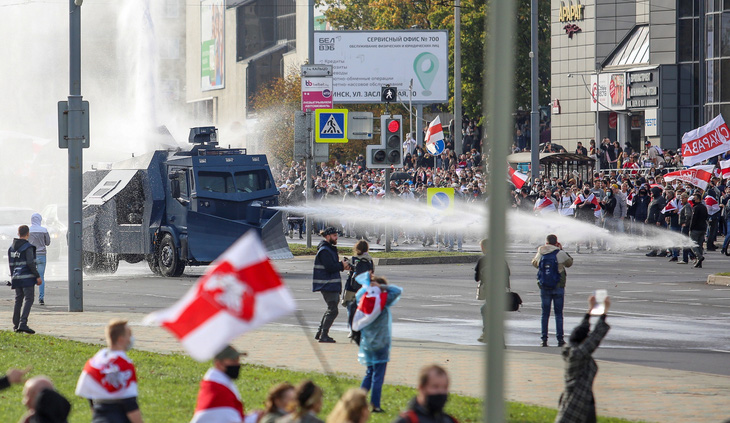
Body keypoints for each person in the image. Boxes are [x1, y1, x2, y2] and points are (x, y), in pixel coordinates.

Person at [554, 295, 611, 423]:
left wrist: (589, 311)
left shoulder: (572, 349)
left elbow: (581, 331)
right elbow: (595, 338)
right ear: (582, 341)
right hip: (575, 408)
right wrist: (605, 313)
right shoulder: (576, 355)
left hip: (585, 403)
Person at [75, 319, 144, 423]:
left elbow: (89, 398)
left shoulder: (93, 363)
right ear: (121, 339)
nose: (131, 339)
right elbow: (130, 403)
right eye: (129, 335)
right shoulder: (125, 366)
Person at [355, 276, 402, 413]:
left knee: (369, 373)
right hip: (381, 343)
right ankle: (375, 404)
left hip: (367, 343)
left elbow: (359, 293)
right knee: (378, 376)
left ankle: (358, 400)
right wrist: (382, 288)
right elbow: (397, 290)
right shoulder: (383, 300)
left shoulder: (364, 299)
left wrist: (368, 286)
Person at [532, 234, 574, 347]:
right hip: (558, 286)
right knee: (558, 314)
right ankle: (560, 339)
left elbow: (534, 264)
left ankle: (544, 339)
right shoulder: (559, 253)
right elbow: (569, 263)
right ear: (556, 242)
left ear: (546, 242)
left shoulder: (541, 252)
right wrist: (562, 250)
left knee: (545, 314)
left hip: (544, 286)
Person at [312, 227, 352, 343]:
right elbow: (329, 267)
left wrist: (342, 265)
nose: (336, 238)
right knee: (333, 310)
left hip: (330, 284)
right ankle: (324, 335)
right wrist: (341, 265)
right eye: (334, 236)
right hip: (327, 284)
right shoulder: (325, 250)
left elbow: (332, 266)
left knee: (331, 309)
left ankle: (320, 333)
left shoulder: (329, 249)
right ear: (328, 236)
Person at [191, 345, 246, 423]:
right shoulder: (218, 391)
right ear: (218, 364)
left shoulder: (219, 383)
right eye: (233, 361)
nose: (237, 364)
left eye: (237, 360)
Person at [474, 239, 511, 343]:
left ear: (484, 247)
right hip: (500, 290)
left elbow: (476, 277)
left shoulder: (483, 260)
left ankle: (488, 334)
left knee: (488, 311)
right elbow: (508, 273)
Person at [393, 365, 457, 423]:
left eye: (445, 387)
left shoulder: (449, 420)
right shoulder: (407, 420)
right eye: (435, 387)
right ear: (421, 388)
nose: (441, 392)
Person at [9, 225, 42, 334]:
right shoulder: (28, 247)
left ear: (18, 233)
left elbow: (11, 264)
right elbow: (30, 263)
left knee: (18, 300)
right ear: (28, 234)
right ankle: (23, 323)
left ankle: (16, 324)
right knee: (29, 299)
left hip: (16, 277)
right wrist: (37, 276)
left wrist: (13, 276)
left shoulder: (11, 248)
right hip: (27, 278)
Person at [343, 240, 375, 340]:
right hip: (364, 287)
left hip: (352, 287)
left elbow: (348, 269)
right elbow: (372, 272)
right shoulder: (369, 260)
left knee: (350, 308)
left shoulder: (353, 259)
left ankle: (352, 330)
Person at [28, 213, 51, 305]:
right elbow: (48, 242)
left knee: (30, 276)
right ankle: (41, 298)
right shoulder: (44, 230)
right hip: (42, 255)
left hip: (31, 255)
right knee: (41, 277)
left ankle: (30, 297)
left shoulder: (28, 230)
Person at [689, 193, 708, 268]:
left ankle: (699, 256)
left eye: (695, 198)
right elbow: (706, 217)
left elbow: (693, 219)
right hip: (703, 228)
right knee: (700, 246)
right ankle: (699, 263)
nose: (693, 200)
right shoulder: (704, 207)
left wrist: (690, 228)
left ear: (699, 199)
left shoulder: (696, 208)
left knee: (692, 244)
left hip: (696, 229)